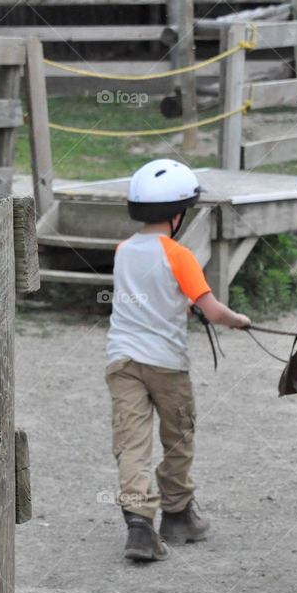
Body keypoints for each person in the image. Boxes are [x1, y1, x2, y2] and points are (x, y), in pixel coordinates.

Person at [105, 159, 251, 562]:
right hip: (166, 364)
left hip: (121, 360)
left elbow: (149, 298)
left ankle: (138, 525)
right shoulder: (180, 254)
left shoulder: (122, 251)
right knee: (178, 437)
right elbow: (213, 308)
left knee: (131, 441)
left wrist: (182, 306)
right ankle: (178, 512)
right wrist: (238, 320)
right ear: (178, 213)